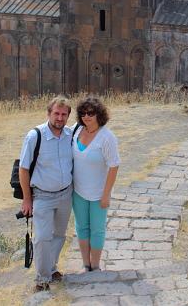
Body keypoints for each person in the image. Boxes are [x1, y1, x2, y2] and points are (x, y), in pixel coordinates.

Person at [18, 96, 75, 292]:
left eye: (64, 114)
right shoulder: (35, 136)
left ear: (68, 116)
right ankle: (41, 279)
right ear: (49, 113)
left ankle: (51, 269)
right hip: (42, 196)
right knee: (42, 238)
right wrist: (27, 199)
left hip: (65, 195)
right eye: (56, 113)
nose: (60, 117)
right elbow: (24, 169)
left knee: (59, 235)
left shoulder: (69, 135)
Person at [71, 96, 120, 271]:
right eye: (83, 113)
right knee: (81, 228)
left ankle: (96, 265)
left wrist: (106, 195)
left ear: (99, 114)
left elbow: (114, 166)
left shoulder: (107, 137)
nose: (86, 116)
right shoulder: (76, 131)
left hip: (99, 193)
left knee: (97, 230)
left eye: (90, 113)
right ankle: (86, 265)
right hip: (78, 192)